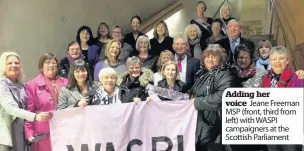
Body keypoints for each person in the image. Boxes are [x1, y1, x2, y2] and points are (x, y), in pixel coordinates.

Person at [0, 52, 52, 151]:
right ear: (3, 66)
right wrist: (35, 117)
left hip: (22, 133)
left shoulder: (21, 85)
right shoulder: (1, 85)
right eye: (9, 63)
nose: (14, 65)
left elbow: (30, 105)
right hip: (7, 136)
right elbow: (11, 109)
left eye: (16, 63)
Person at [189, 44, 236, 151]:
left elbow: (223, 98)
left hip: (216, 129)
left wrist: (197, 102)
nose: (209, 59)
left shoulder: (225, 74)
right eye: (207, 56)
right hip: (202, 126)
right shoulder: (202, 74)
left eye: (214, 56)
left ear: (221, 59)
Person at [260, 46, 302, 151]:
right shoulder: (265, 78)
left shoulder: (297, 79)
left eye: (281, 58)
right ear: (270, 61)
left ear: (287, 60)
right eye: (274, 59)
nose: (277, 61)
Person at [25, 53, 68, 151]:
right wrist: (29, 131)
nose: (51, 65)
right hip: (43, 131)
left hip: (63, 128)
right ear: (41, 67)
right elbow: (29, 111)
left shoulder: (66, 82)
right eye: (47, 62)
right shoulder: (32, 85)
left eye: (54, 63)